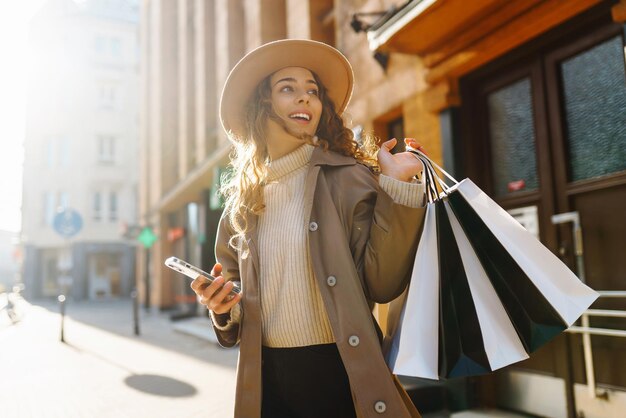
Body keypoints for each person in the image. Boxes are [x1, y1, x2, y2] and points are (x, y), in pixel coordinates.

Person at [190, 39, 427, 418]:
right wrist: (220, 308)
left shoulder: (350, 178)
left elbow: (382, 283)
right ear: (261, 104)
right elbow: (233, 306)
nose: (305, 99)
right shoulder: (241, 203)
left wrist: (397, 186)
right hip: (267, 383)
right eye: (288, 89)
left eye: (312, 91)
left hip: (342, 375)